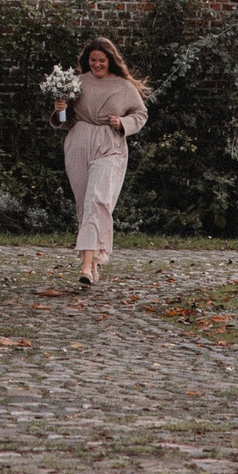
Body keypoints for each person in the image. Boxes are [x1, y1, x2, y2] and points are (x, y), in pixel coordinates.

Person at [50, 36, 146, 288]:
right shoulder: (78, 83)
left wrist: (123, 123)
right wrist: (60, 108)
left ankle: (85, 265)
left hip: (110, 144)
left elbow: (140, 114)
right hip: (79, 141)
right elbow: (65, 119)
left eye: (101, 60)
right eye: (92, 60)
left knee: (97, 199)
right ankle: (91, 264)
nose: (97, 65)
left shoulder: (124, 87)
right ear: (87, 61)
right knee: (84, 203)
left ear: (110, 60)